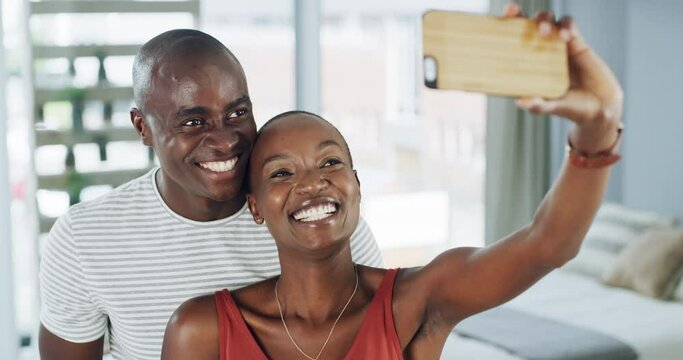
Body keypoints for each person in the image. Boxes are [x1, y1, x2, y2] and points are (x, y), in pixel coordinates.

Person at [160, 6, 624, 360]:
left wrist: (599, 128)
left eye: (330, 163)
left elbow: (549, 244)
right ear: (256, 206)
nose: (312, 184)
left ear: (356, 185)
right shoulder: (201, 329)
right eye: (281, 173)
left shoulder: (419, 299)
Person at [38, 30, 383, 360]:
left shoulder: (319, 222)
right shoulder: (83, 240)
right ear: (143, 127)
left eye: (237, 113)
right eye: (193, 122)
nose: (224, 140)